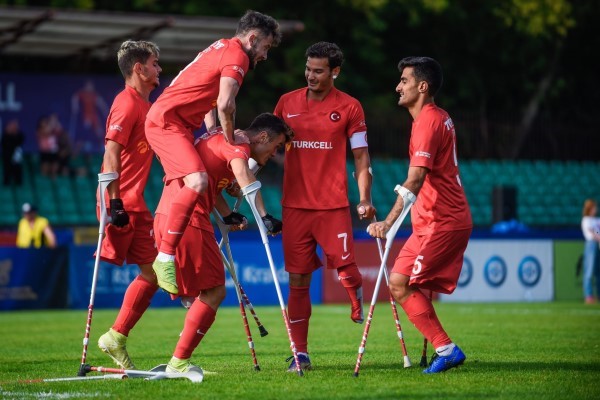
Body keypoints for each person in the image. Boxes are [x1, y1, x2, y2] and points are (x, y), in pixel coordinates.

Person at [144, 10, 282, 296]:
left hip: (176, 125)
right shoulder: (238, 55)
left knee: (194, 180)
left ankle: (165, 258)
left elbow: (209, 100)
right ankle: (165, 257)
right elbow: (225, 104)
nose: (265, 56)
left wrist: (212, 131)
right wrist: (229, 138)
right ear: (253, 38)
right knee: (196, 180)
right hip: (167, 123)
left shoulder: (221, 48)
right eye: (266, 47)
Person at [153, 113, 291, 374]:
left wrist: (227, 215)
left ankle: (121, 335)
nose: (275, 153)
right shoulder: (238, 144)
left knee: (200, 290)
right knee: (214, 292)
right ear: (263, 137)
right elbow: (243, 175)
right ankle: (178, 361)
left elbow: (211, 187)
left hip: (167, 214)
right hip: (188, 218)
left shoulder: (221, 139)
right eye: (276, 146)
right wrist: (265, 217)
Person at [273, 42, 375, 372]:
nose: (311, 75)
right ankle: (299, 353)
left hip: (333, 206)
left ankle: (355, 294)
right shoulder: (287, 103)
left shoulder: (349, 107)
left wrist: (364, 199)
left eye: (318, 70)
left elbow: (361, 156)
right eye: (308, 69)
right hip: (295, 207)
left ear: (335, 72)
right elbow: (266, 143)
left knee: (347, 271)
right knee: (298, 280)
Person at [367, 56, 472, 374]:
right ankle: (446, 349)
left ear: (422, 86)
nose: (397, 86)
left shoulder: (428, 122)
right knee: (399, 284)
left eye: (404, 81)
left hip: (443, 221)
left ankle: (447, 349)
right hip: (428, 223)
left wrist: (387, 222)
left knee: (400, 281)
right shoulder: (434, 117)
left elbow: (415, 179)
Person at [94, 40, 162, 370]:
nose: (159, 69)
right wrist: (116, 202)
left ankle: (115, 337)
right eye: (155, 63)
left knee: (154, 272)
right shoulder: (126, 103)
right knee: (157, 271)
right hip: (122, 201)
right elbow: (110, 152)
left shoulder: (147, 107)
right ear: (139, 68)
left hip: (134, 201)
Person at [581, 199, 600, 304]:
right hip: (591, 244)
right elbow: (592, 232)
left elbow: (597, 231)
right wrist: (598, 237)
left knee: (598, 271)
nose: (595, 210)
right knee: (589, 270)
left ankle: (598, 294)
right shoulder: (586, 220)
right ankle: (588, 295)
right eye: (594, 208)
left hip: (597, 244)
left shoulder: (596, 220)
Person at [1, 118, 25, 186]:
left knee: (17, 170)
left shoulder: (19, 135)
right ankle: (7, 184)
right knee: (7, 171)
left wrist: (15, 131)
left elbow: (20, 141)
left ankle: (18, 184)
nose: (13, 127)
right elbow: (5, 143)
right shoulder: (5, 136)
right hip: (7, 156)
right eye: (11, 125)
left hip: (17, 156)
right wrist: (9, 131)